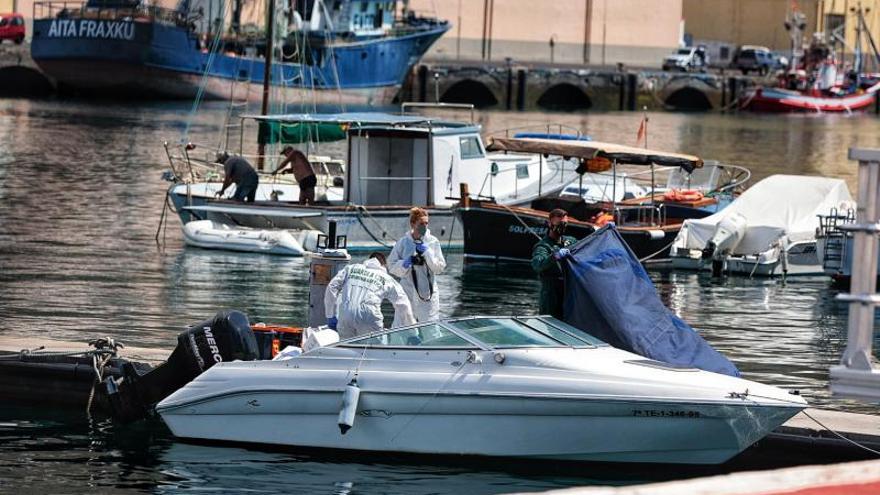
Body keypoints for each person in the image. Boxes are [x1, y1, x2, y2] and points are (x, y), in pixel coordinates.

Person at [324, 252, 415, 339]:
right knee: (373, 347)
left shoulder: (350, 269)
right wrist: (411, 332)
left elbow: (332, 287)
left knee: (346, 346)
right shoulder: (386, 278)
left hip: (346, 315)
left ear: (369, 260)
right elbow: (403, 304)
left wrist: (330, 315)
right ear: (383, 265)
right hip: (369, 317)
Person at [388, 207, 446, 323]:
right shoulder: (403, 242)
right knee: (403, 324)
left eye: (426, 223)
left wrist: (428, 253)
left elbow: (440, 268)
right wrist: (405, 263)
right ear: (413, 224)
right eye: (421, 223)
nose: (424, 226)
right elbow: (391, 265)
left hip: (427, 293)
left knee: (430, 326)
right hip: (408, 291)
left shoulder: (433, 241)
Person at [531, 208, 577, 319]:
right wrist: (555, 256)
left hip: (568, 292)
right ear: (550, 223)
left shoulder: (570, 242)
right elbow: (537, 265)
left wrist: (603, 232)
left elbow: (587, 246)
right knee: (551, 322)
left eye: (564, 224)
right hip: (551, 295)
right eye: (559, 223)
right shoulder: (543, 246)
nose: (562, 226)